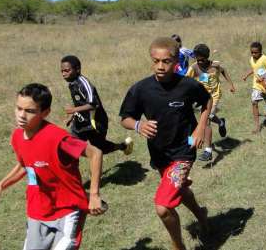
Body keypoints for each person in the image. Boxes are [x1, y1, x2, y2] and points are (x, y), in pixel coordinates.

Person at [0, 83, 105, 250]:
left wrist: (93, 195)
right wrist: (0, 186)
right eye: (18, 108)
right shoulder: (17, 136)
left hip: (68, 210)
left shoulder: (57, 138)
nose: (21, 115)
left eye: (30, 111)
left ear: (45, 113)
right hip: (37, 210)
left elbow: (95, 153)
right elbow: (24, 165)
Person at [120, 37, 211, 250]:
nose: (161, 66)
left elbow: (207, 101)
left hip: (184, 151)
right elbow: (125, 117)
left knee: (163, 207)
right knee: (178, 191)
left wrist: (199, 128)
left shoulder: (187, 85)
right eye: (156, 61)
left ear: (176, 61)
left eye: (166, 61)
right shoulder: (141, 89)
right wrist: (138, 126)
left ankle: (178, 245)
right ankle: (202, 216)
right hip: (160, 154)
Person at [61, 55, 133, 155]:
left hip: (95, 123)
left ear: (77, 69)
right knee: (70, 146)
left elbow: (93, 104)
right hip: (80, 122)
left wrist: (73, 110)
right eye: (62, 71)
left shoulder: (84, 84)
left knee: (100, 149)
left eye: (67, 71)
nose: (63, 74)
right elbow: (79, 102)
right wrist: (71, 116)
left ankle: (122, 146)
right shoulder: (72, 83)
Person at [186, 44, 236, 161]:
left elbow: (223, 71)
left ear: (207, 57)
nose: (199, 62)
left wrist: (231, 84)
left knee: (207, 119)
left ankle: (208, 151)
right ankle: (220, 122)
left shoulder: (215, 65)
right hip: (201, 98)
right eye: (197, 60)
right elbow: (185, 80)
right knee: (206, 118)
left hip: (214, 96)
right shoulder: (194, 68)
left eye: (202, 60)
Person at [242, 42, 266, 134]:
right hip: (256, 85)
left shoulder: (264, 59)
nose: (253, 54)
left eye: (255, 52)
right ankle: (257, 126)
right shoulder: (252, 59)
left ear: (260, 52)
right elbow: (254, 69)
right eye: (252, 52)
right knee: (254, 102)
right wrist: (246, 75)